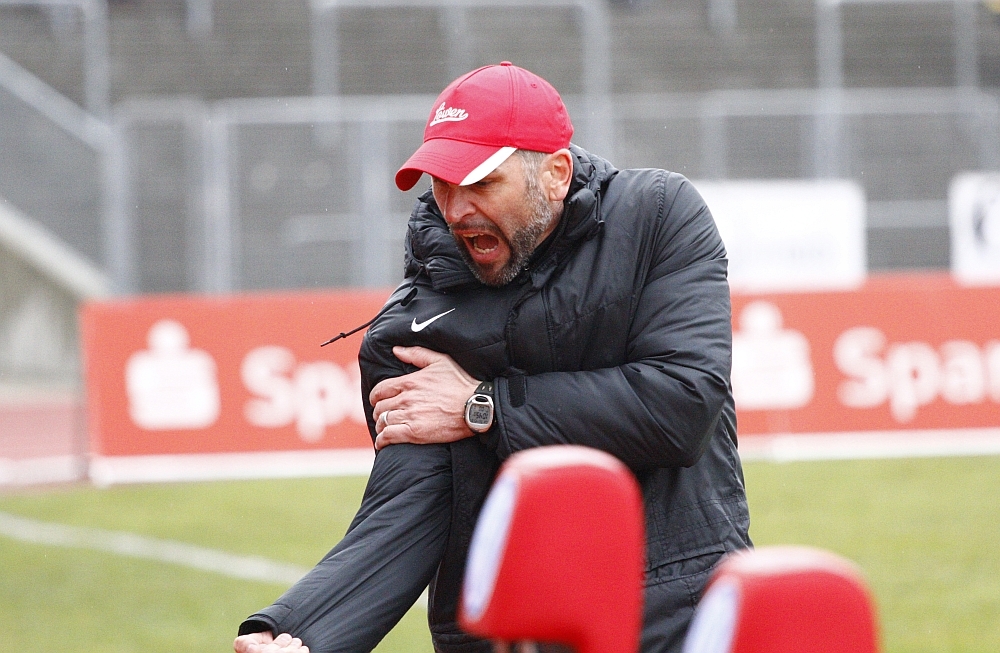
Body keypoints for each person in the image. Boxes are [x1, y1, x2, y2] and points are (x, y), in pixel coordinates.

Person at [234, 62, 751, 653]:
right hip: (504, 634)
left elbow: (680, 404)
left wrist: (482, 406)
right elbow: (409, 507)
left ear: (555, 174)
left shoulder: (658, 217)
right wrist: (297, 632)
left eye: (480, 183)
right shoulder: (411, 326)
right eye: (442, 184)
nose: (456, 209)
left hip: (673, 617)